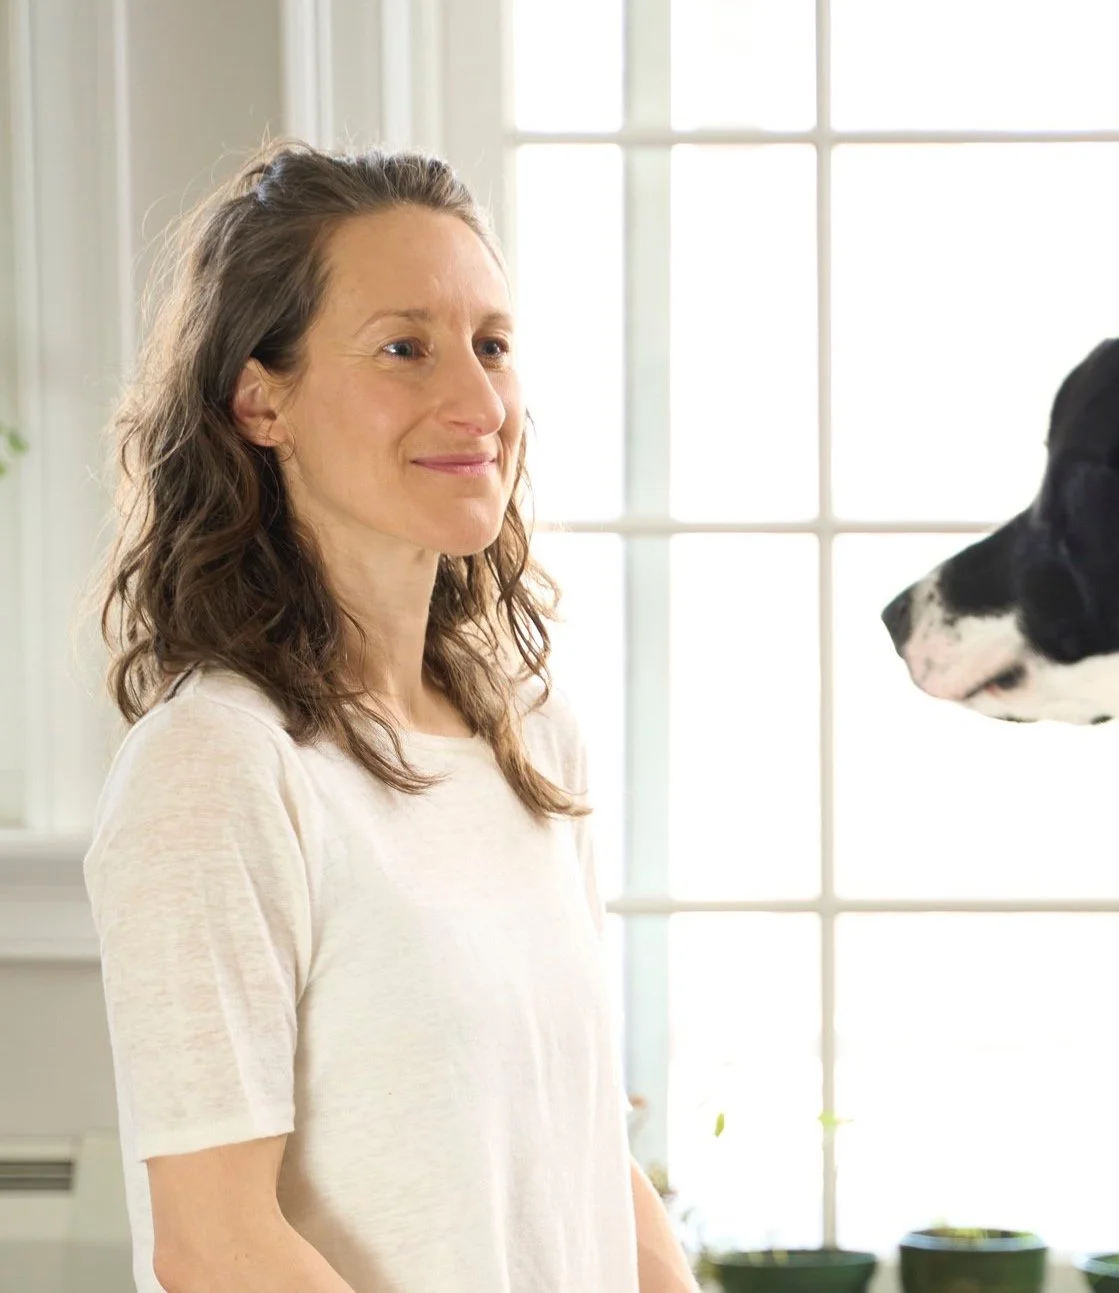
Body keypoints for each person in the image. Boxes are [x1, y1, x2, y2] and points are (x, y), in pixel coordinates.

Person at [84, 141, 695, 1293]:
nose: (477, 402)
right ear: (261, 400)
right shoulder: (218, 767)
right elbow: (215, 1244)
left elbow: (583, 1157)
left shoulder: (528, 733)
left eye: (493, 346)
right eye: (404, 349)